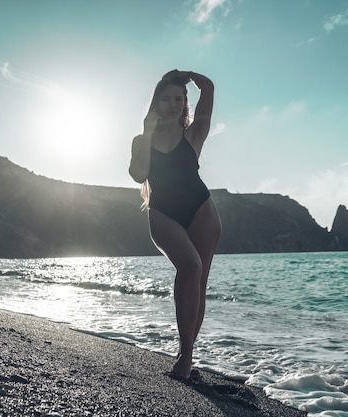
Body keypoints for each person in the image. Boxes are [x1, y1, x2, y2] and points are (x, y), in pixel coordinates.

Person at [128, 69, 221, 379]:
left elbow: (208, 89)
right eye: (165, 98)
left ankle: (186, 355)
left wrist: (189, 75)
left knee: (198, 283)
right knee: (190, 268)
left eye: (177, 99)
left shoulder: (194, 134)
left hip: (202, 210)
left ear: (185, 104)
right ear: (156, 102)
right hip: (163, 212)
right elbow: (139, 175)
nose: (171, 104)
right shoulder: (142, 140)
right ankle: (185, 357)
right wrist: (146, 130)